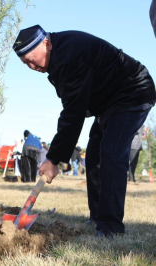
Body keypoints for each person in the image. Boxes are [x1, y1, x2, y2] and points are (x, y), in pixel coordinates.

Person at [13, 25, 156, 238]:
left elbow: (73, 113)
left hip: (132, 91)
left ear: (47, 43)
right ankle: (98, 217)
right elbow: (74, 107)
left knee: (112, 151)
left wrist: (52, 159)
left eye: (33, 59)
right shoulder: (57, 57)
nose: (32, 66)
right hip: (109, 103)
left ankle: (111, 228)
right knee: (94, 156)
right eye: (26, 63)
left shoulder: (69, 57)